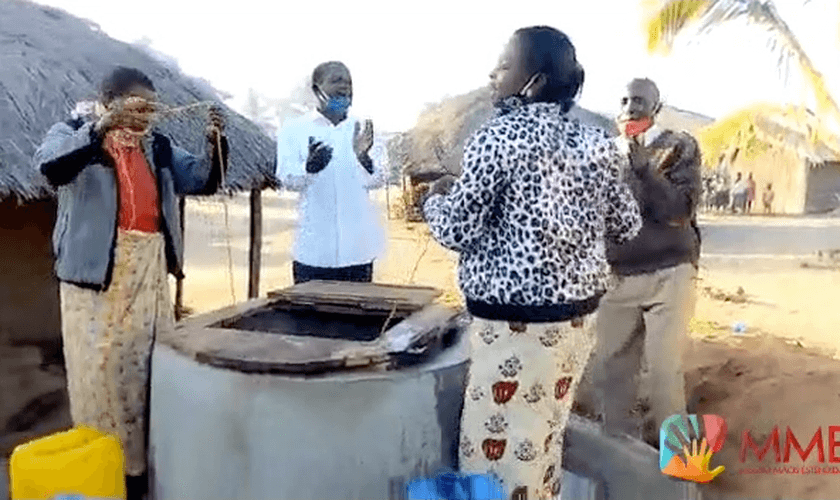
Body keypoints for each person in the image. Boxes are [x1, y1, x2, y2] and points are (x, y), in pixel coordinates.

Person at [423, 27, 642, 499]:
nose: (492, 74)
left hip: (513, 328)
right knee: (543, 438)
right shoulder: (597, 140)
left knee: (494, 455)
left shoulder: (496, 138)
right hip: (576, 323)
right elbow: (626, 225)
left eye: (503, 66)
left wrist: (435, 201)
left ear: (534, 81)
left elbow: (458, 231)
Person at [33, 66, 228, 500]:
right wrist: (100, 128)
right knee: (101, 381)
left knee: (148, 376)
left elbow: (201, 180)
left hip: (147, 278)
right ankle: (106, 473)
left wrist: (216, 146)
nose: (145, 118)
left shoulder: (156, 146)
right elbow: (50, 168)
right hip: (96, 286)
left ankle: (142, 475)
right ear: (110, 101)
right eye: (137, 108)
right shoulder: (73, 133)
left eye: (151, 110)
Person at [589, 78, 702, 448]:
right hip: (619, 277)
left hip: (670, 273)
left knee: (663, 373)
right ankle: (624, 459)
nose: (630, 106)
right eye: (623, 99)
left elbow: (679, 211)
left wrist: (645, 171)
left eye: (639, 99)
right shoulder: (603, 153)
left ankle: (677, 464)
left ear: (656, 105)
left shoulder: (678, 146)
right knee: (609, 370)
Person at [276, 61, 386, 284]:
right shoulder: (294, 130)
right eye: (337, 80)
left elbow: (379, 179)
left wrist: (363, 157)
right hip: (313, 255)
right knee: (309, 320)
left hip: (358, 254)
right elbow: (286, 179)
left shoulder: (365, 130)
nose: (345, 87)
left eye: (348, 82)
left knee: (356, 320)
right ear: (317, 89)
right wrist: (309, 170)